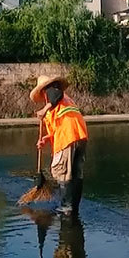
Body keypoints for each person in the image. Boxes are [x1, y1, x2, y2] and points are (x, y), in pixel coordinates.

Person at [31, 75, 88, 216]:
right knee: (76, 173)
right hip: (80, 136)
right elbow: (57, 129)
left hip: (68, 137)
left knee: (61, 171)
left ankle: (67, 207)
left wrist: (45, 109)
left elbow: (56, 95)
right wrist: (46, 138)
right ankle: (74, 206)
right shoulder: (64, 102)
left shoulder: (52, 92)